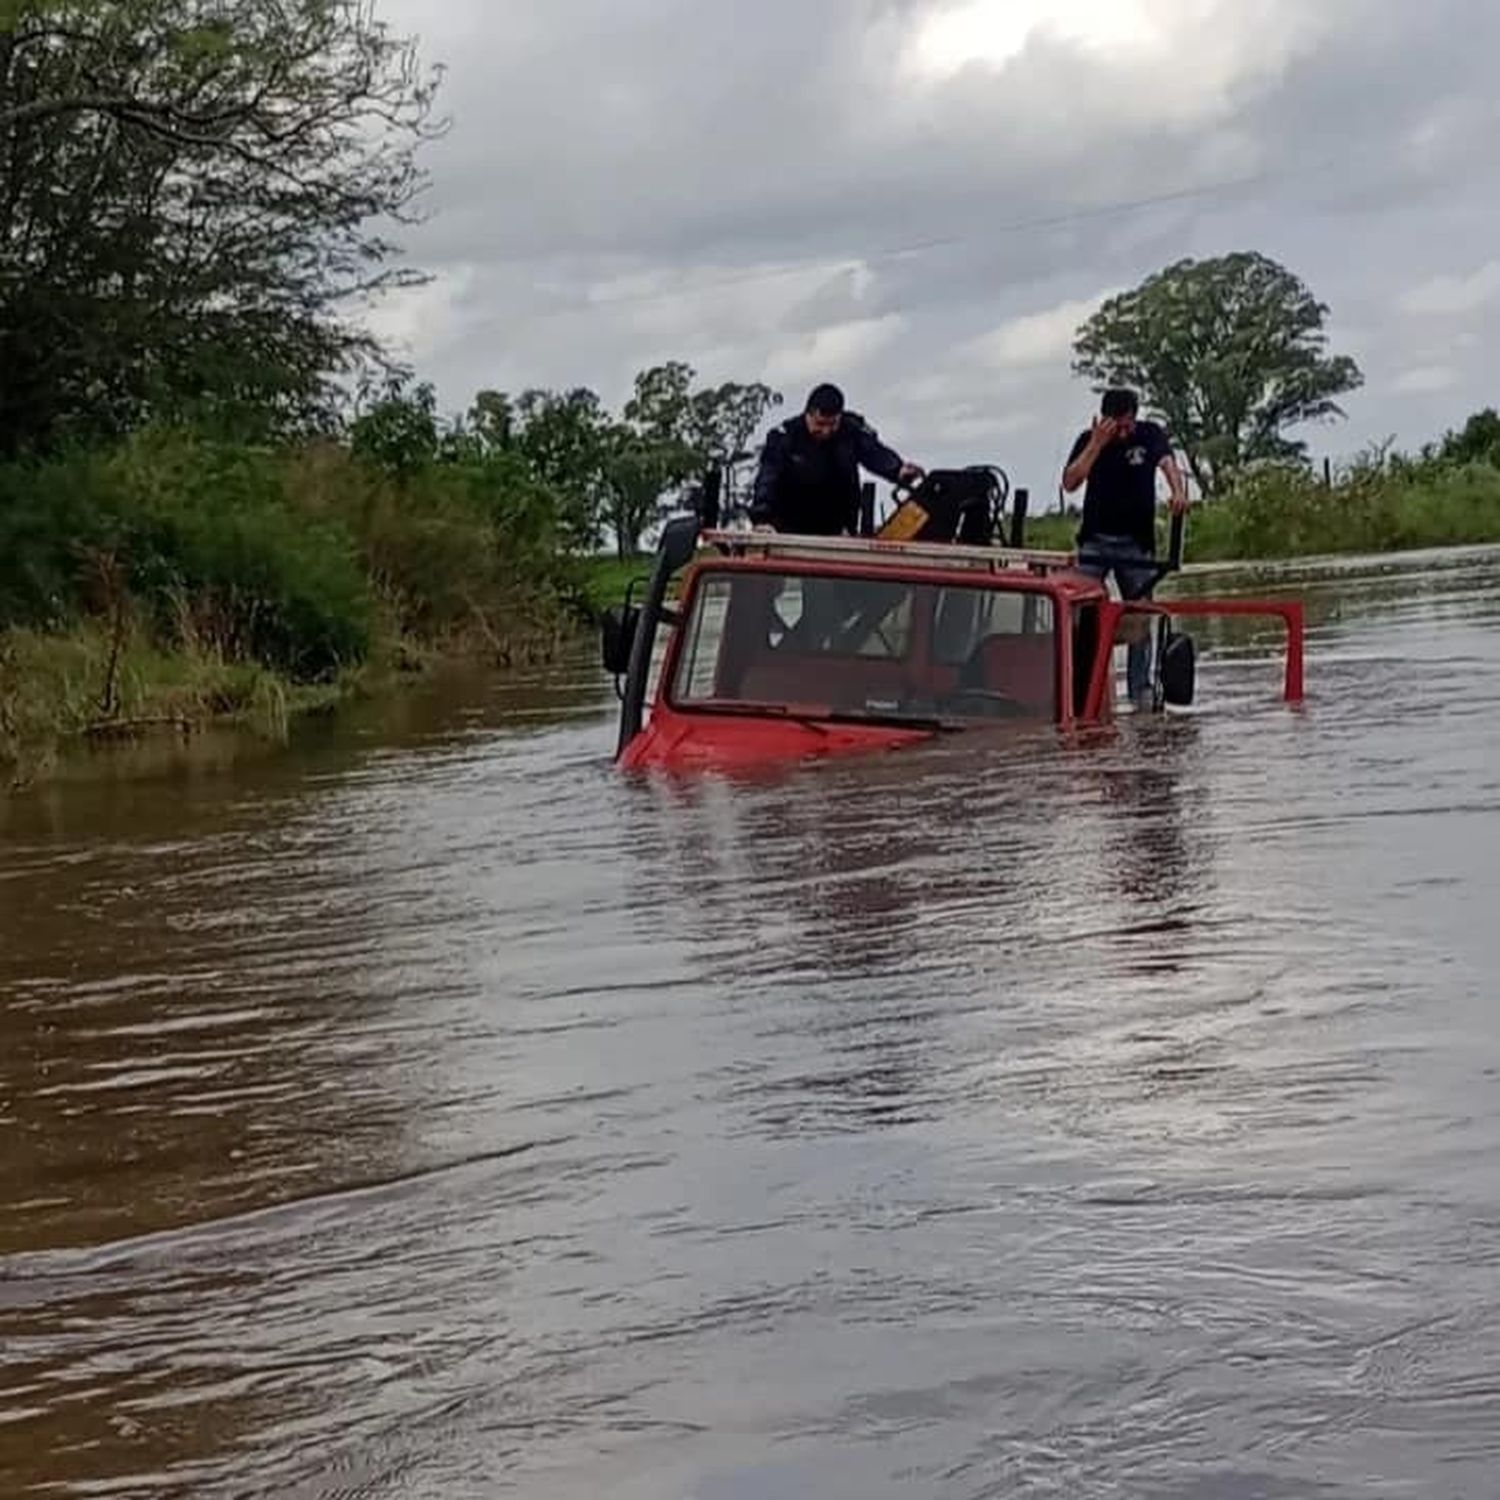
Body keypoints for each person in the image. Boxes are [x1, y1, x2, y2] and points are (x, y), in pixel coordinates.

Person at [1061, 388, 1189, 707]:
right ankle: (1079, 690)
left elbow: (1168, 463)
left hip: (1136, 543)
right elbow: (1071, 482)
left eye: (1127, 424)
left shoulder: (1149, 434)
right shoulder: (1088, 440)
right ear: (1104, 420)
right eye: (1116, 425)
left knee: (1141, 616)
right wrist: (1096, 444)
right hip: (1095, 543)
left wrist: (1177, 491)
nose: (1123, 431)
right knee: (1076, 614)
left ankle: (1140, 690)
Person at [749, 383, 924, 536]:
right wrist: (762, 518)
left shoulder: (851, 430)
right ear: (808, 415)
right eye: (820, 424)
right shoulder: (785, 436)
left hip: (837, 528)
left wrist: (897, 469)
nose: (826, 431)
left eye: (832, 424)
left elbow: (874, 452)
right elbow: (767, 478)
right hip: (788, 527)